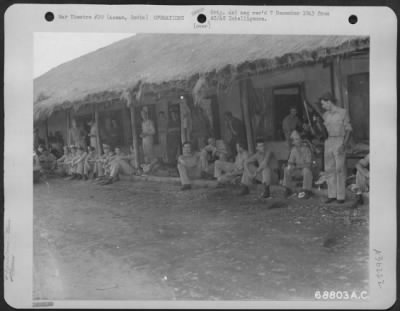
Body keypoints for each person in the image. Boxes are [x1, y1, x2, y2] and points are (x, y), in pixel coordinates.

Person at [319, 92, 352, 204]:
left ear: (329, 101)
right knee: (329, 169)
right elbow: (323, 131)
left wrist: (344, 144)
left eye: (323, 104)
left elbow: (348, 130)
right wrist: (317, 124)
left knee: (339, 169)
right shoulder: (325, 115)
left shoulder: (343, 112)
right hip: (328, 141)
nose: (323, 106)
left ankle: (341, 196)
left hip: (339, 140)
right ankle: (332, 195)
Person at [282, 130, 313, 199]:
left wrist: (296, 166)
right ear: (293, 141)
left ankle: (306, 191)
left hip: (304, 171)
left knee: (306, 170)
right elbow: (290, 162)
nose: (297, 141)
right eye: (295, 140)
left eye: (298, 139)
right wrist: (290, 165)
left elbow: (308, 164)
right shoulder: (293, 150)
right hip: (297, 171)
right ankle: (288, 189)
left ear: (301, 140)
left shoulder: (306, 149)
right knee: (287, 169)